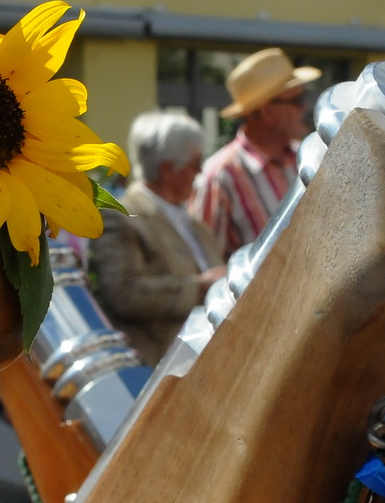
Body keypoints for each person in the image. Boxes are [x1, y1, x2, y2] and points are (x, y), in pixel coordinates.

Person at [88, 112, 226, 366]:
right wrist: (199, 287)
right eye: (195, 162)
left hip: (214, 357)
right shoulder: (121, 216)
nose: (200, 171)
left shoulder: (193, 221)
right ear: (167, 168)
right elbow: (123, 293)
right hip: (165, 365)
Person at [190, 48, 321, 258]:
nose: (305, 106)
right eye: (297, 100)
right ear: (267, 112)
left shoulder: (309, 158)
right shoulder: (220, 177)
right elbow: (207, 265)